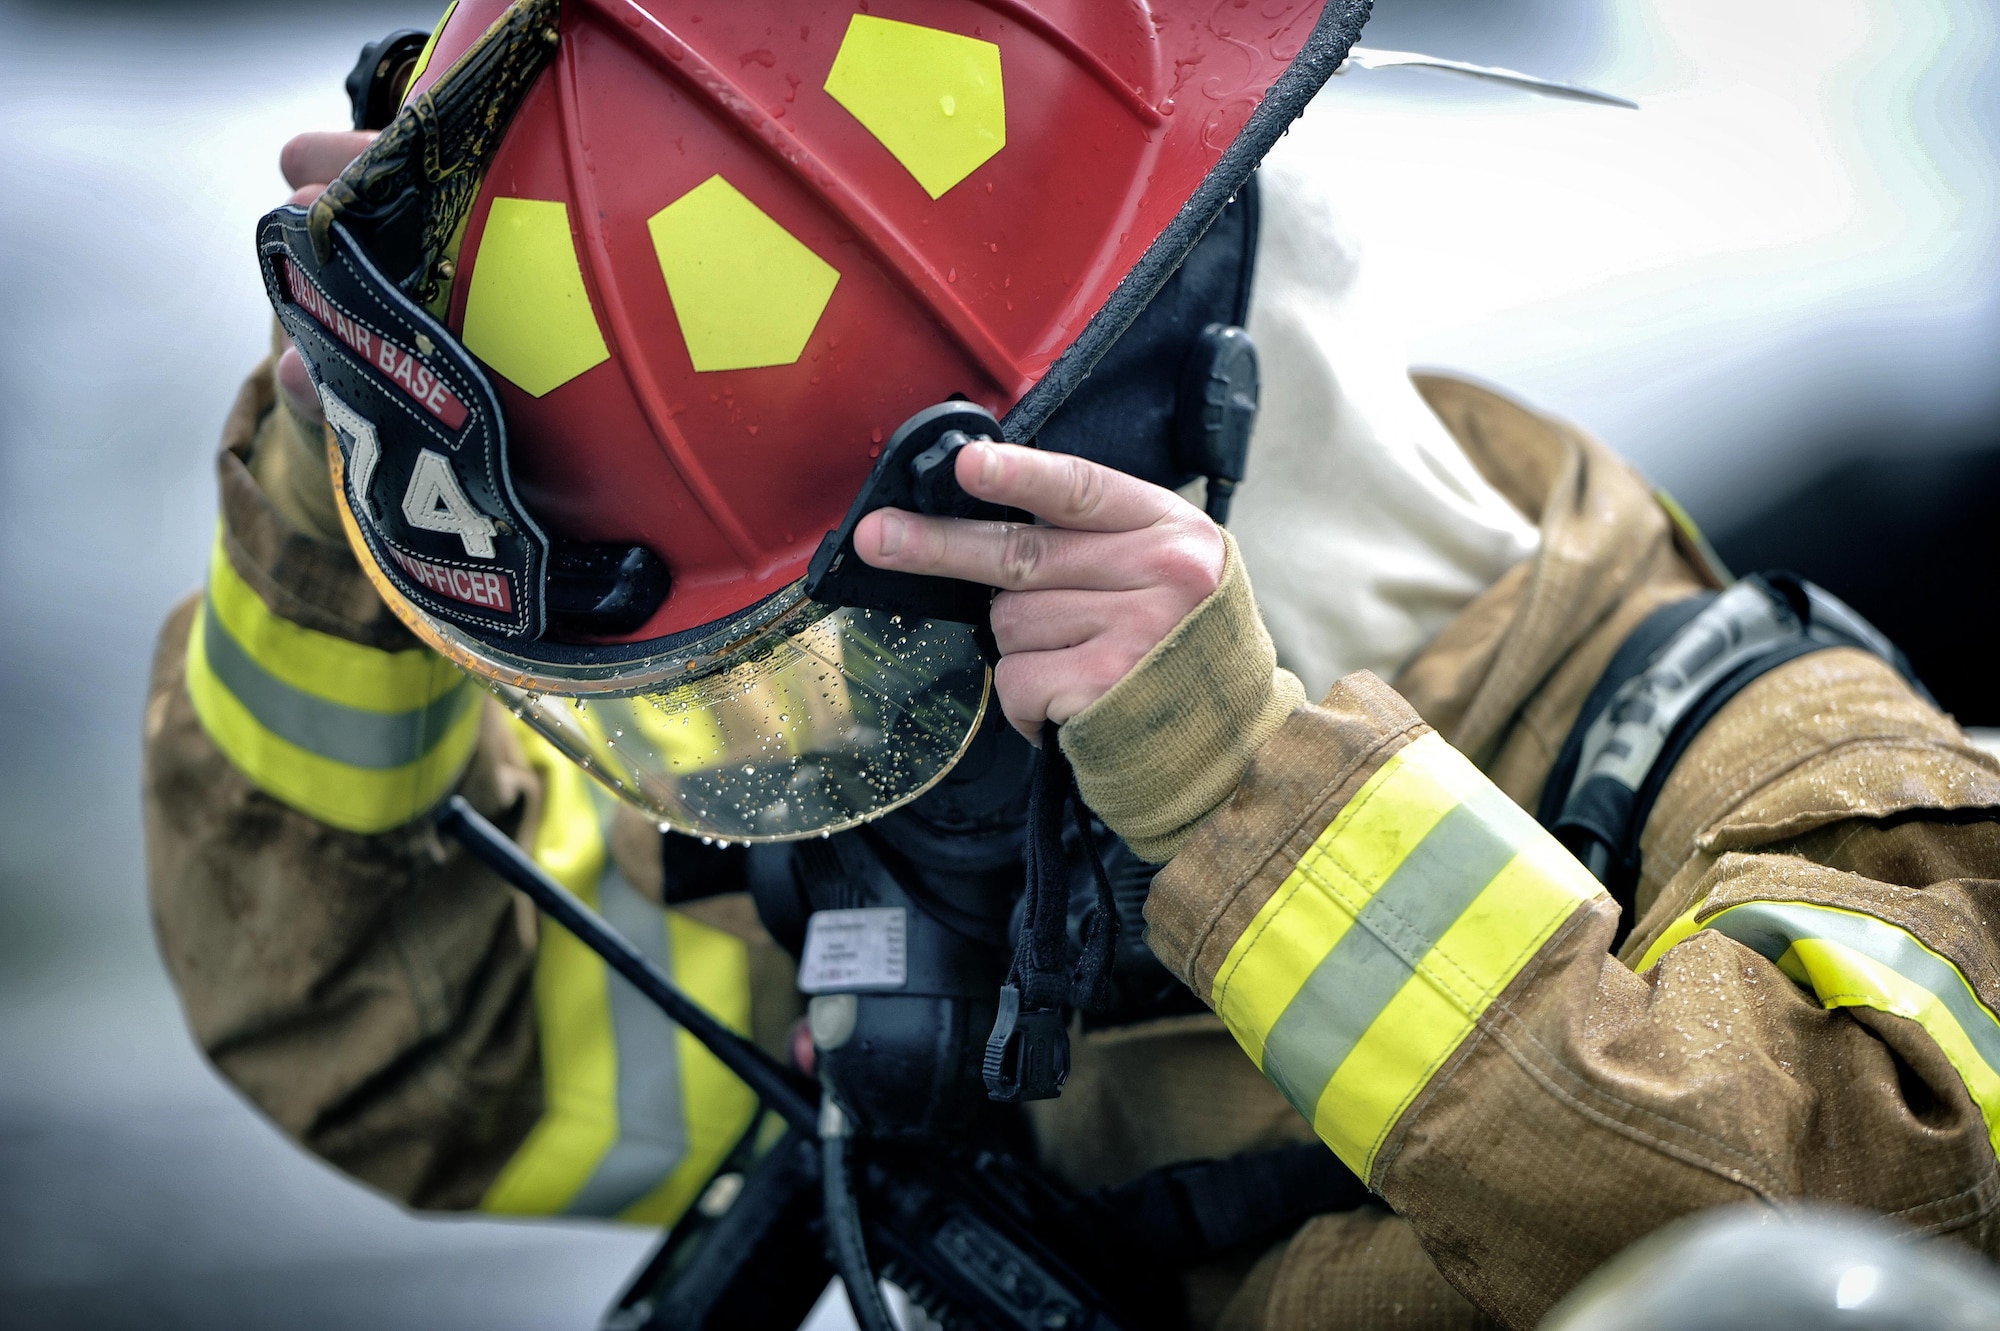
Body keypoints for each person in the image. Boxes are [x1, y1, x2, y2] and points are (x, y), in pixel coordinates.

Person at [144, 4, 2000, 1329]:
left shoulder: (1750, 762)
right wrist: (344, 496)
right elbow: (407, 1043)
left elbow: (1875, 1227)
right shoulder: (908, 844)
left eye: (857, 634)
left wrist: (1241, 803)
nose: (863, 737)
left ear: (1104, 448)